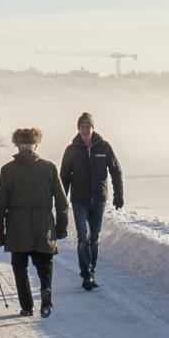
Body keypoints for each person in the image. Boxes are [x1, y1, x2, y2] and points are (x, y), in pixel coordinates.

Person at [0, 126, 69, 318]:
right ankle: (46, 298)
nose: (26, 146)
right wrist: (61, 227)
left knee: (20, 267)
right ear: (37, 145)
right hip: (43, 225)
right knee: (45, 265)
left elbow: (0, 203)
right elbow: (61, 201)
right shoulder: (49, 168)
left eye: (27, 143)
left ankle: (26, 305)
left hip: (17, 226)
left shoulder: (7, 170)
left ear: (18, 146)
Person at [58, 111, 125, 292]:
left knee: (94, 239)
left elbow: (116, 171)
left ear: (92, 128)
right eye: (82, 127)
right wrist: (61, 200)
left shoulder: (104, 147)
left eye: (88, 126)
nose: (85, 129)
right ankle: (86, 273)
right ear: (78, 129)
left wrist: (119, 195)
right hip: (79, 200)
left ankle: (92, 269)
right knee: (82, 237)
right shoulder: (71, 150)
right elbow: (63, 177)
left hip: (99, 199)